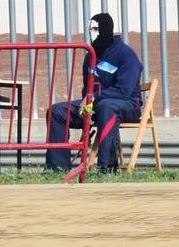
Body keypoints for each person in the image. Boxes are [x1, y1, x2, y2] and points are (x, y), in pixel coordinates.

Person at [45, 12, 142, 173]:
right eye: (91, 29)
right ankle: (57, 167)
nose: (93, 33)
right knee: (57, 111)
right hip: (96, 104)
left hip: (127, 105)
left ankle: (107, 167)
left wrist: (93, 98)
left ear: (106, 29)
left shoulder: (126, 54)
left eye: (96, 29)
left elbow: (124, 90)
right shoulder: (90, 56)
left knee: (107, 106)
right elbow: (87, 88)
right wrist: (87, 106)